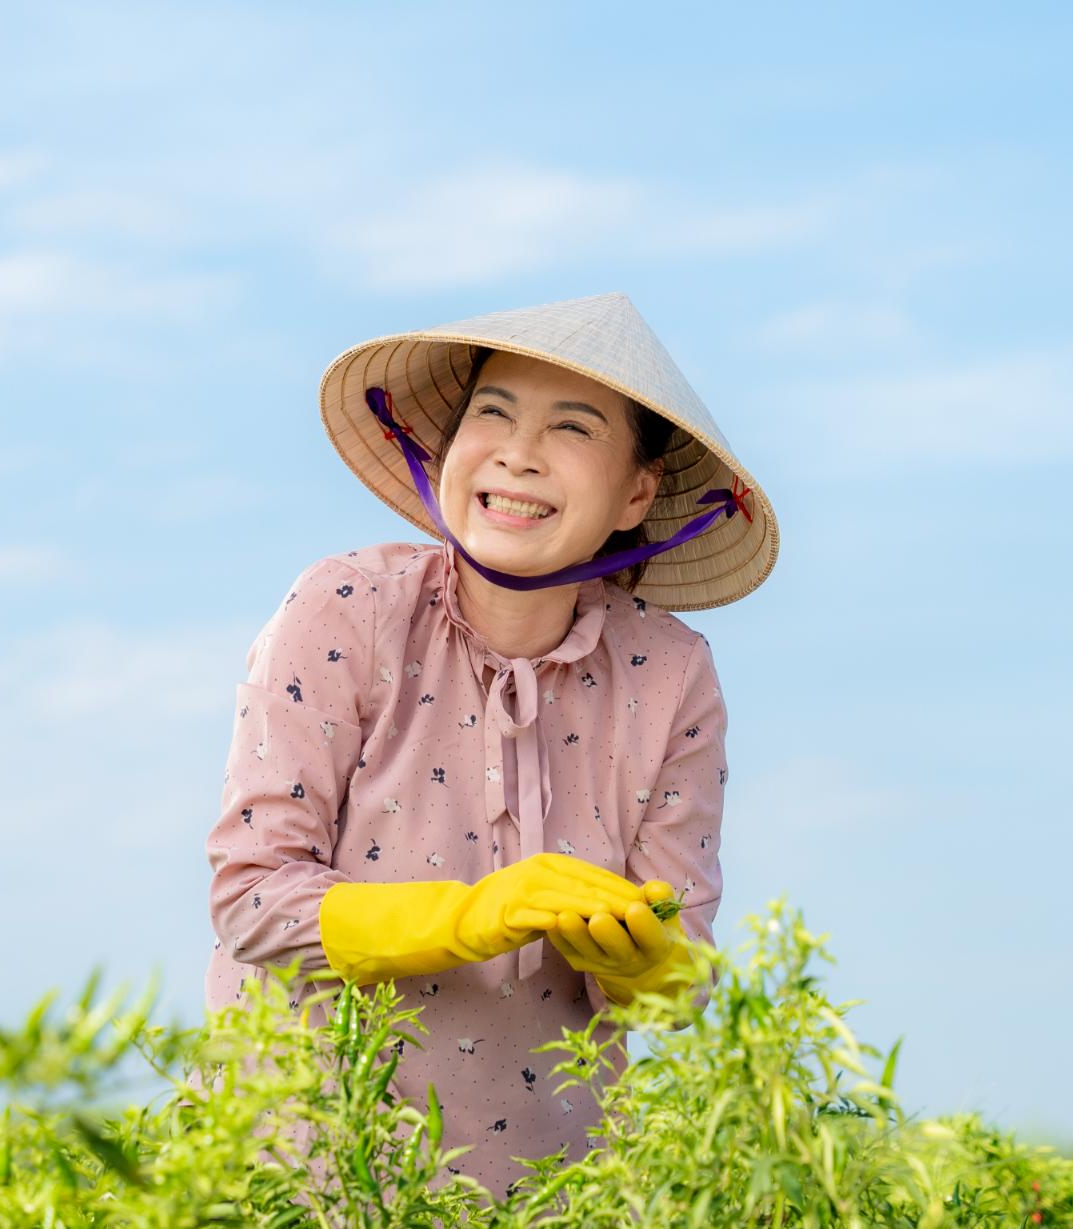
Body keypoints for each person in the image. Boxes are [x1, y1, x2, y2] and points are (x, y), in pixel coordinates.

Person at [201, 291, 780, 1201]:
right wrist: (472, 915)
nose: (517, 451)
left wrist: (645, 963)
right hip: (304, 1168)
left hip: (555, 1185)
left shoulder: (670, 673)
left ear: (637, 492)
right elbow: (251, 898)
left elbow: (682, 978)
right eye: (494, 413)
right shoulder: (345, 607)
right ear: (449, 445)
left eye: (572, 427)